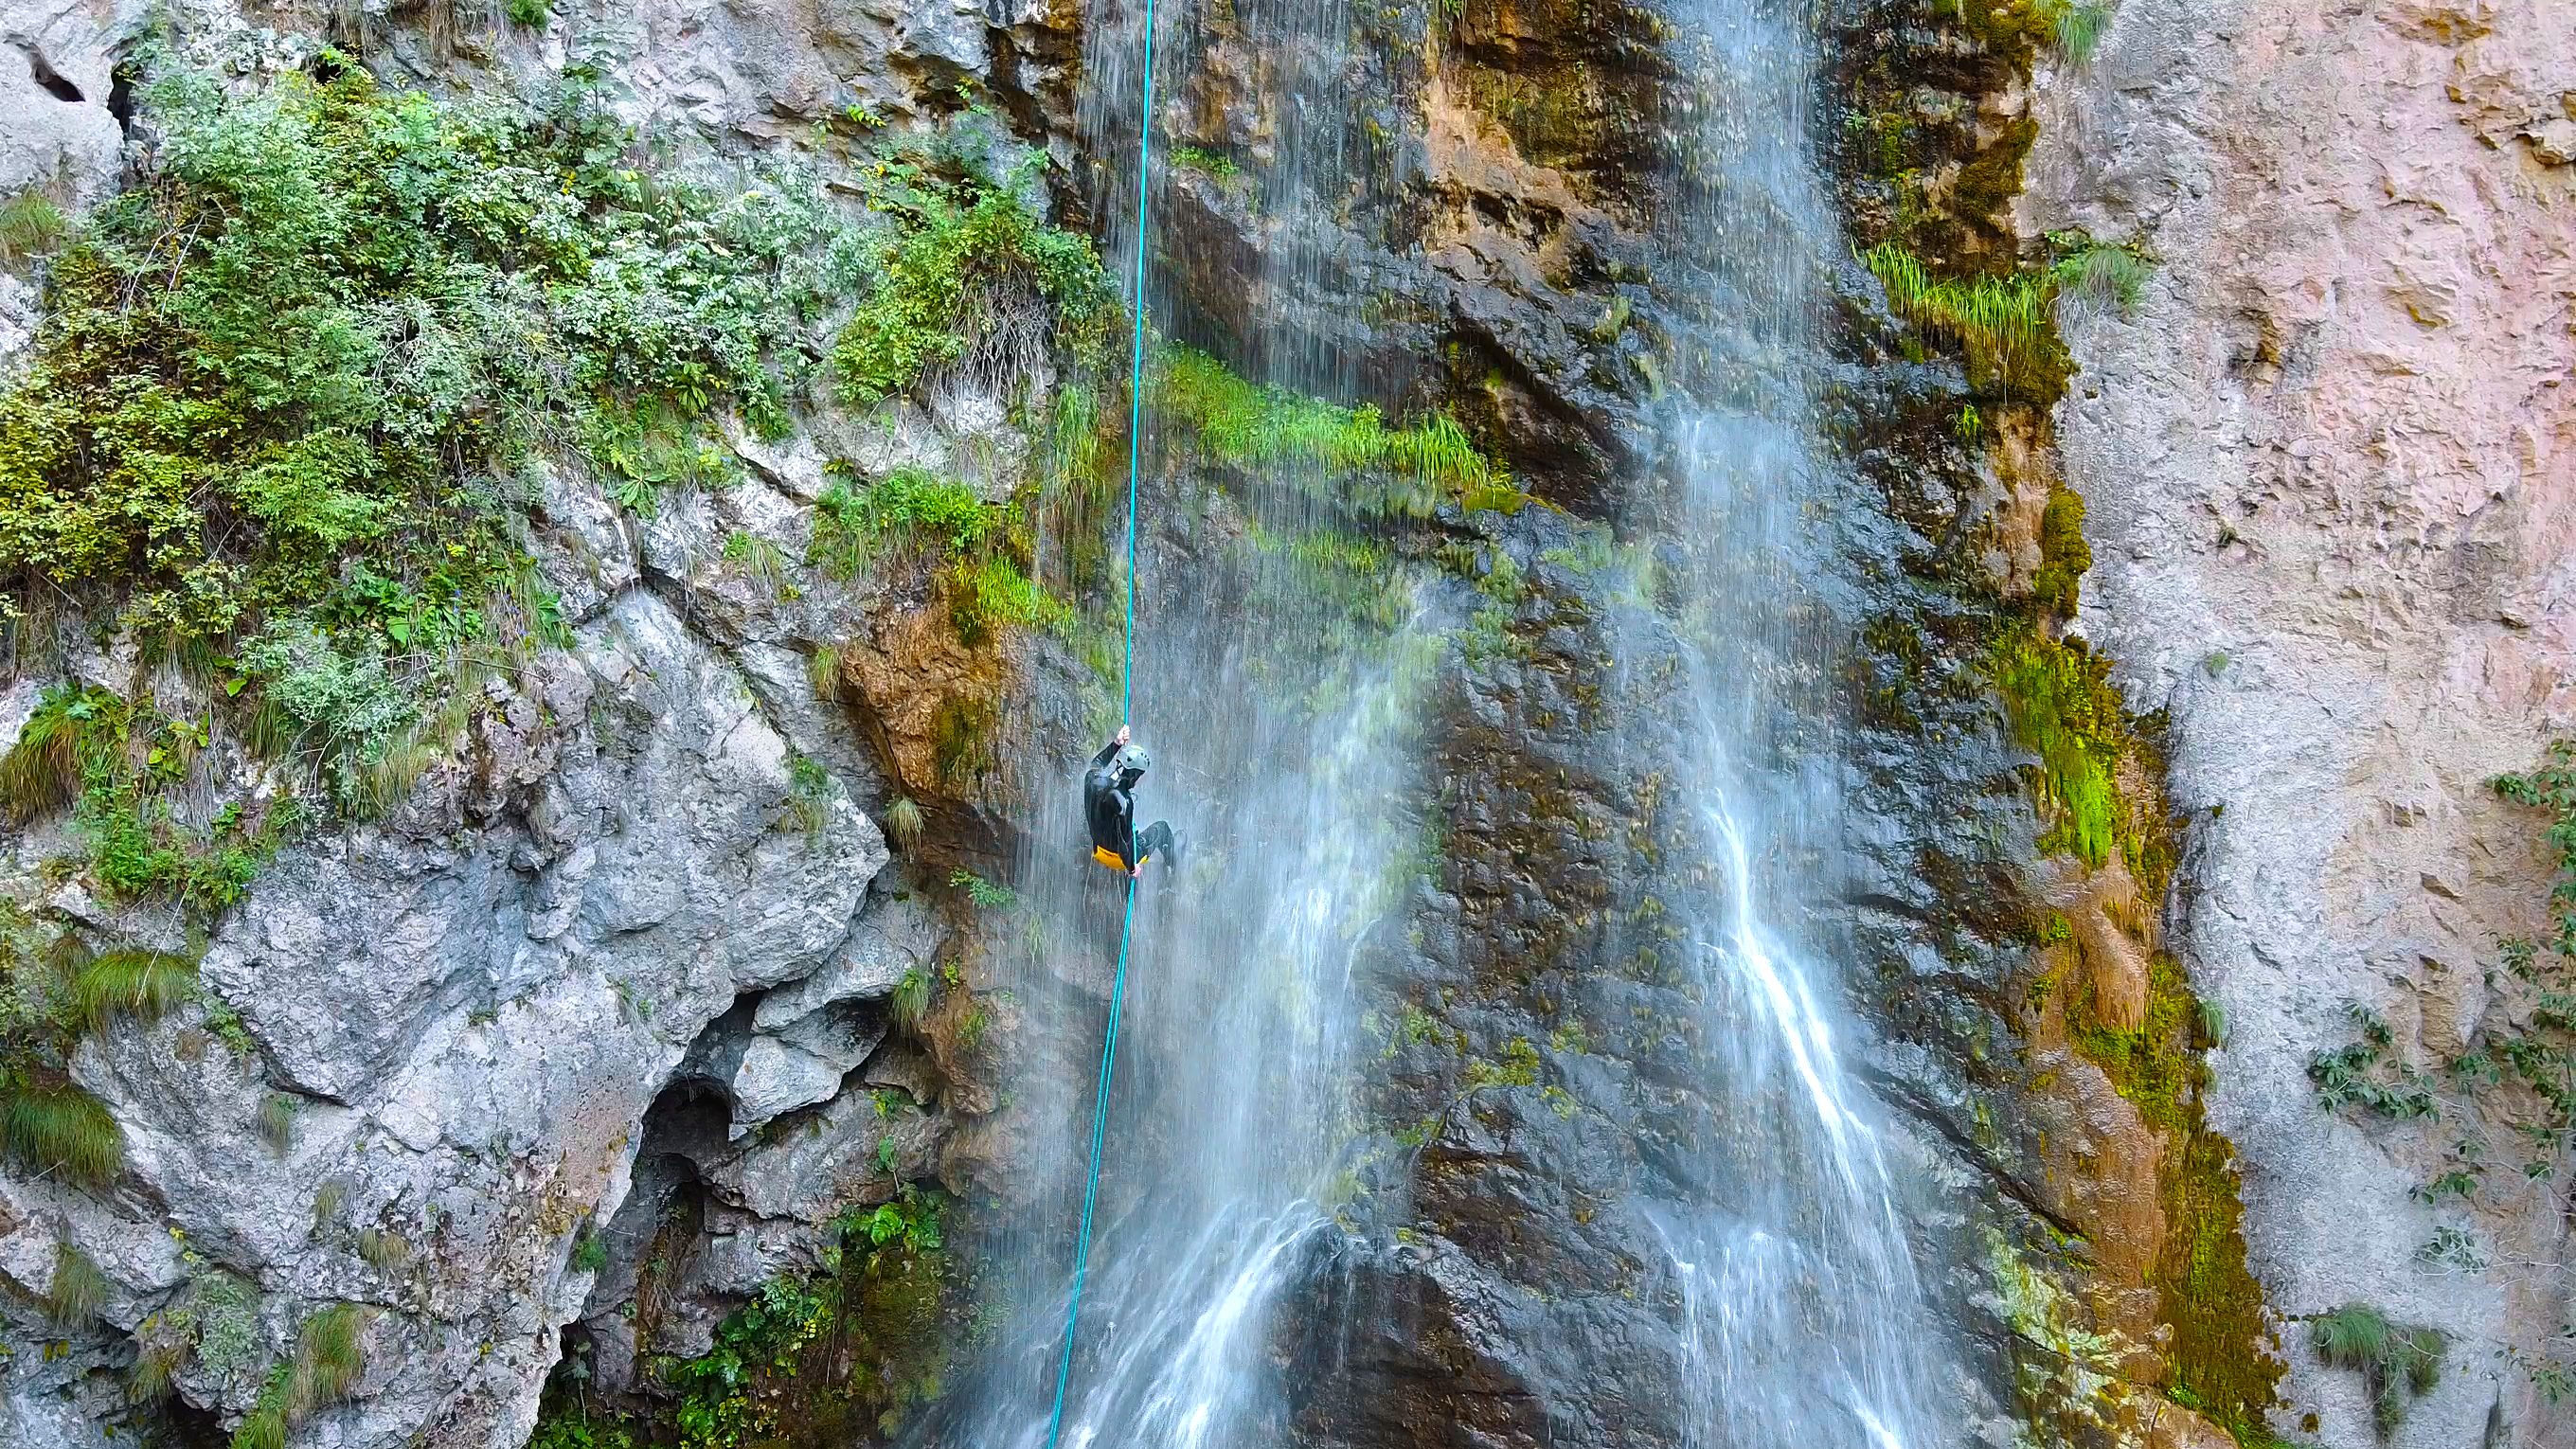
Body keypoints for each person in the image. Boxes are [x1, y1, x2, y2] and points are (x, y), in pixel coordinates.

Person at [1084, 724, 1179, 877]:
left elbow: (1097, 763)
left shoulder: (1092, 779)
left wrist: (1116, 743)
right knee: (1162, 829)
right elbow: (1125, 845)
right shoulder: (1124, 801)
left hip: (1097, 849)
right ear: (1134, 775)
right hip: (1117, 858)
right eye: (1140, 775)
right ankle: (1173, 868)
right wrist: (1132, 869)